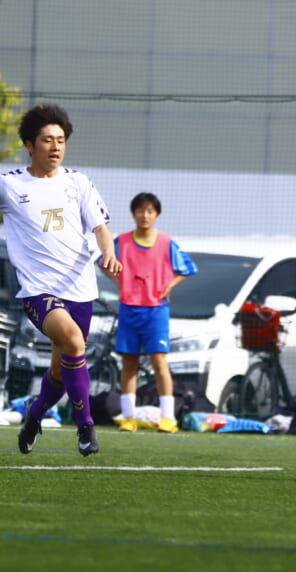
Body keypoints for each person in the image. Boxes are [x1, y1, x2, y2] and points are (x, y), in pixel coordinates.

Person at [0, 103, 122, 456]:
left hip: (80, 288)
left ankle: (34, 415)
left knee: (61, 370)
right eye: (47, 140)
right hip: (38, 290)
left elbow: (100, 227)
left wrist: (109, 254)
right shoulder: (9, 185)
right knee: (74, 342)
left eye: (61, 140)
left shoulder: (77, 182)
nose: (55, 146)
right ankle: (85, 427)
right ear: (29, 145)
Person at [100, 192, 197, 434]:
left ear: (157, 215)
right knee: (129, 363)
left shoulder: (166, 243)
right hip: (129, 308)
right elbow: (104, 262)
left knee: (159, 362)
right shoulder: (122, 241)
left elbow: (188, 268)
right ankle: (128, 417)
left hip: (156, 310)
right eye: (140, 210)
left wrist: (169, 287)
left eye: (150, 211)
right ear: (133, 214)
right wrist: (121, 283)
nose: (145, 215)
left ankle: (168, 418)